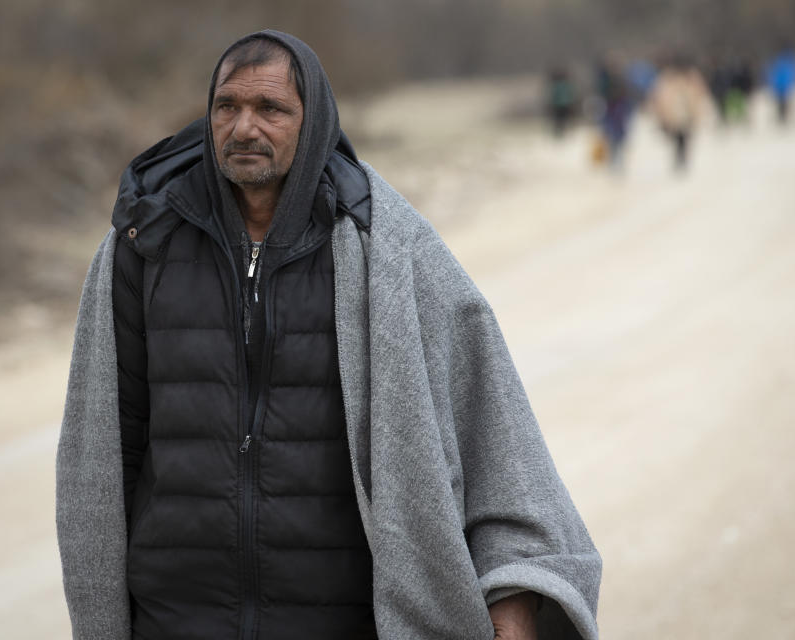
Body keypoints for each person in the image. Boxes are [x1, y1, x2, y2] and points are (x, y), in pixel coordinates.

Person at [56, 29, 602, 640]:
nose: (243, 128)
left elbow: (489, 424)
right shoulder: (142, 246)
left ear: (312, 122)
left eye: (271, 109)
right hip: (178, 617)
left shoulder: (387, 249)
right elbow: (105, 449)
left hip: (343, 618)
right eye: (227, 106)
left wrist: (516, 586)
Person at [648, 55, 712, 171]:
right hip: (674, 114)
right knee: (678, 138)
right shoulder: (668, 79)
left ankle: (681, 160)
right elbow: (660, 97)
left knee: (684, 138)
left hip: (687, 114)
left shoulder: (691, 79)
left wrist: (698, 113)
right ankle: (679, 160)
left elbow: (699, 96)